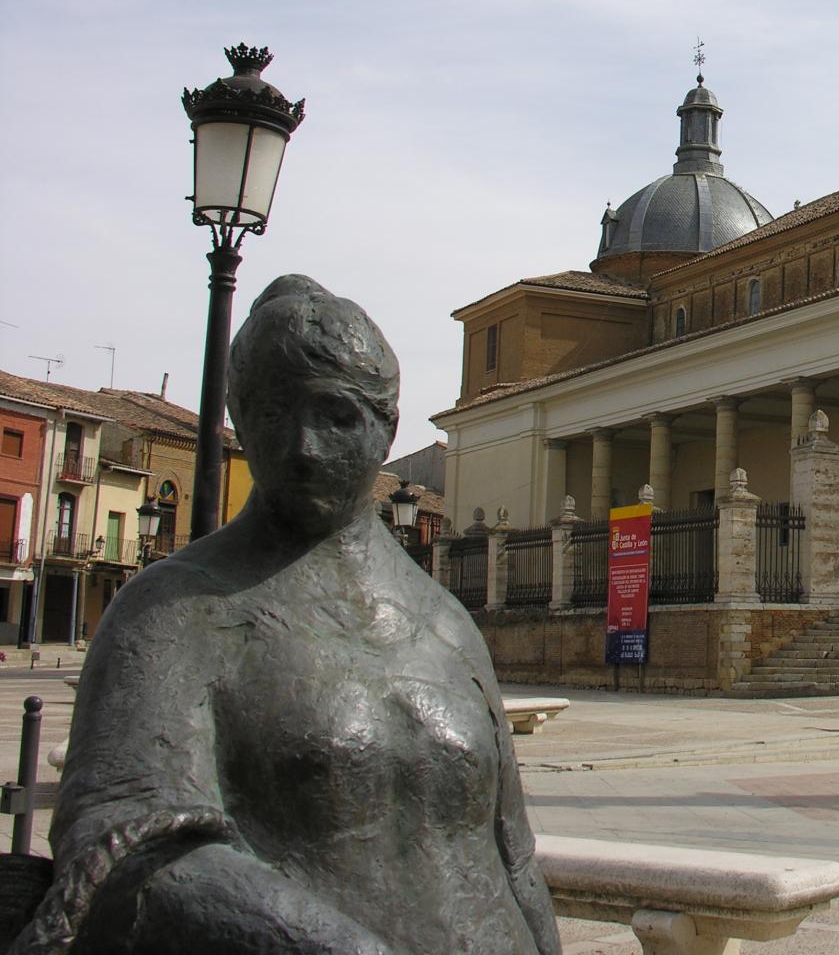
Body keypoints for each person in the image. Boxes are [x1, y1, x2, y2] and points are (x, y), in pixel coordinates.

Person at [13, 276, 560, 954]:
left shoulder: (448, 625)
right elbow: (123, 851)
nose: (304, 446)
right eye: (275, 413)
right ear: (241, 420)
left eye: (336, 416)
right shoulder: (169, 612)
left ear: (386, 429)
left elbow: (515, 861)